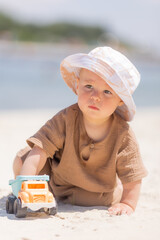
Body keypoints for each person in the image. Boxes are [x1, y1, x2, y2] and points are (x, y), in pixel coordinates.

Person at [13, 46, 147, 215]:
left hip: (98, 195)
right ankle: (41, 192)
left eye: (107, 92)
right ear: (77, 86)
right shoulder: (65, 118)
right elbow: (40, 150)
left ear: (120, 100)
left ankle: (117, 189)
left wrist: (128, 203)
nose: (96, 96)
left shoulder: (123, 133)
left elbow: (132, 173)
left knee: (115, 189)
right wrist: (27, 188)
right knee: (24, 157)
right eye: (89, 86)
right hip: (58, 186)